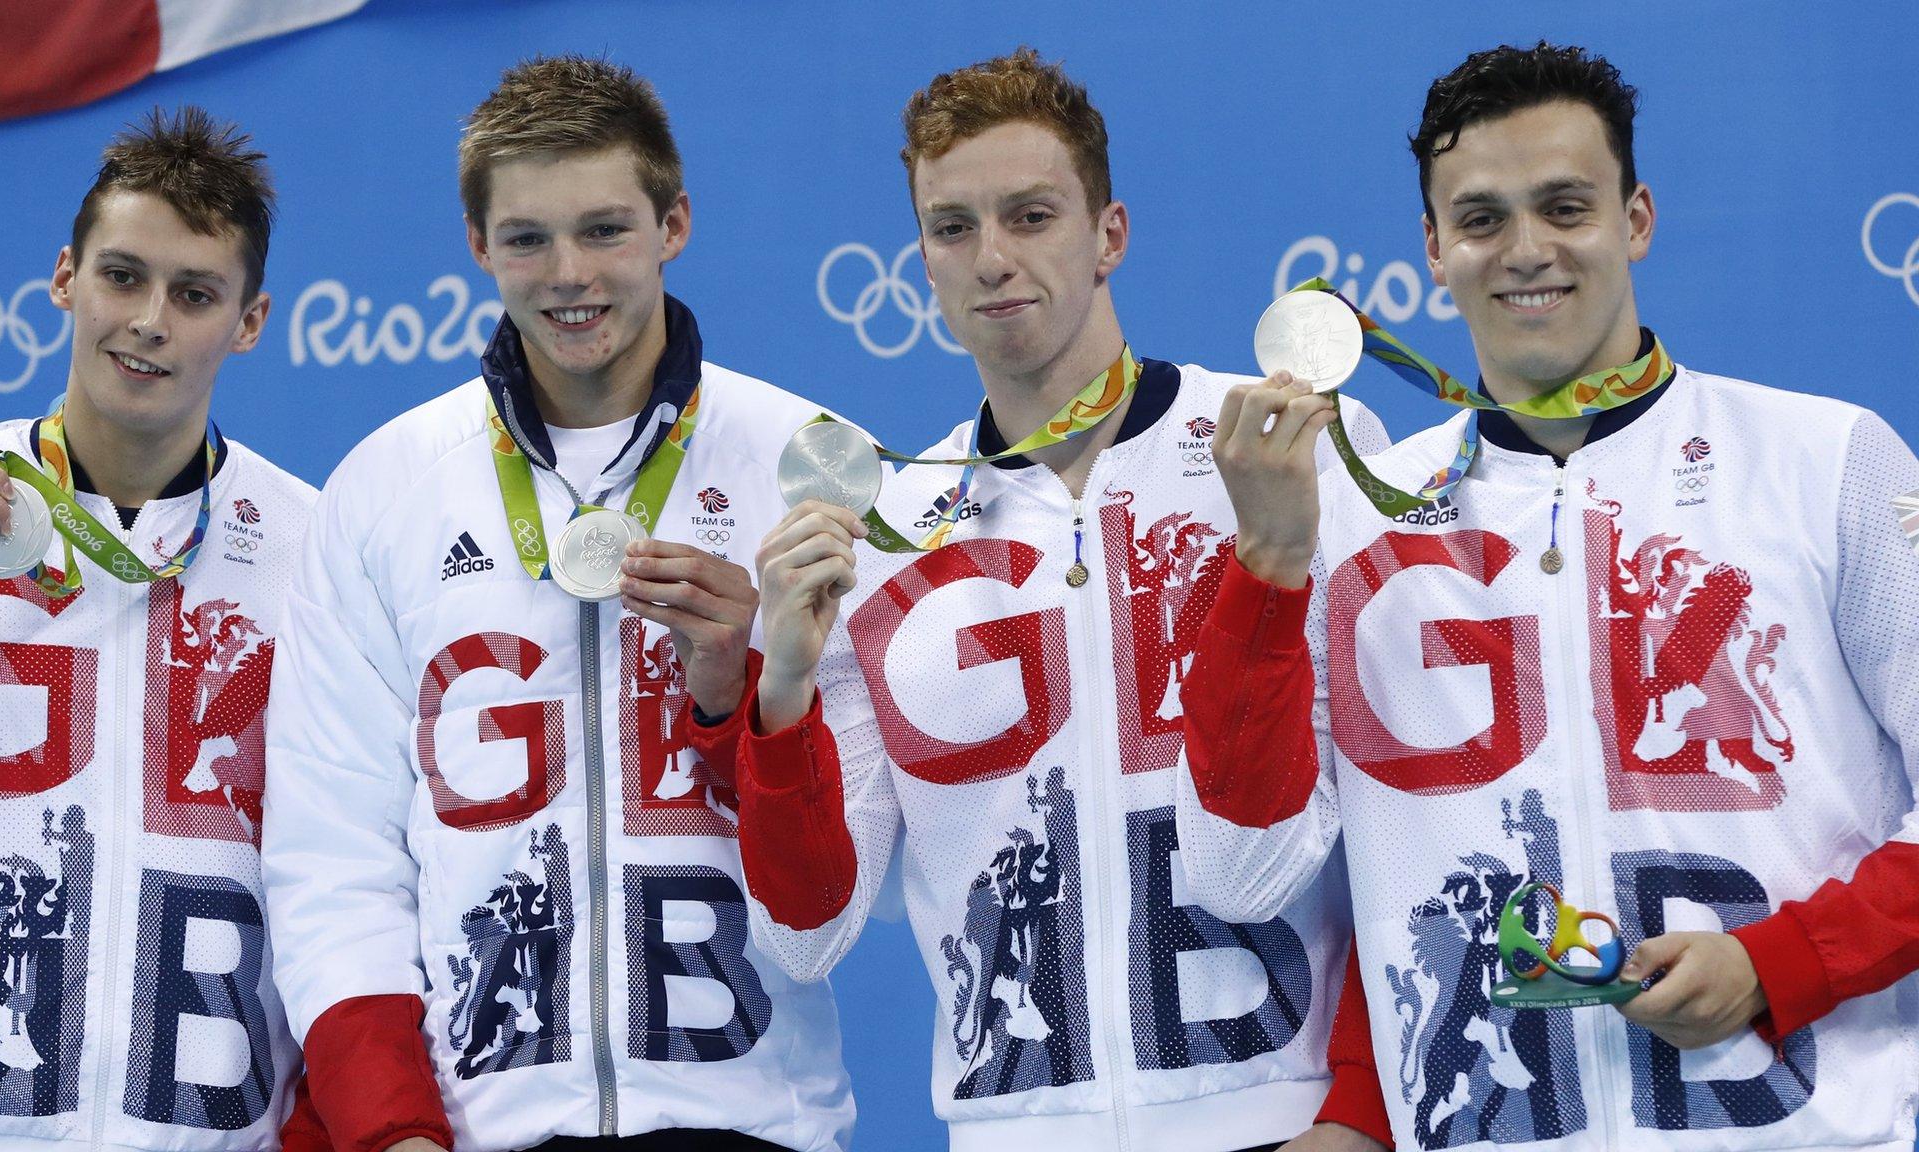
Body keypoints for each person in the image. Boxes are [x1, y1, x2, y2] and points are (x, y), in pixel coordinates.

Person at [1179, 41, 1919, 1152]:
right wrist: (1267, 568)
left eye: (1564, 207)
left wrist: (1777, 963)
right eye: (1480, 219)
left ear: (1635, 219)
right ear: (1431, 248)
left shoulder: (1825, 461)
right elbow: (1253, 873)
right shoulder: (1352, 516)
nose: (1525, 251)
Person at [730, 48, 1390, 1152]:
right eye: (952, 229)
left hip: (1280, 1117)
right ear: (922, 264)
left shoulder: (1292, 450)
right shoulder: (887, 534)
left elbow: (1399, 822)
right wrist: (783, 692)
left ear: (1108, 234)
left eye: (1030, 215)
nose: (992, 258)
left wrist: (1360, 1117)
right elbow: (805, 937)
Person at [262, 55, 855, 1152]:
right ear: (477, 246)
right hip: (479, 1128)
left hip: (752, 1122)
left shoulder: (804, 466)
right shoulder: (385, 486)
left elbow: (827, 900)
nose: (567, 273)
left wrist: (750, 692)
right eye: (527, 238)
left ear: (673, 223)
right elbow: (331, 859)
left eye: (605, 230)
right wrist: (392, 1127)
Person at [0, 107, 311, 1149]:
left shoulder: (320, 546)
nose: (150, 320)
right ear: (66, 276)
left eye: (195, 294)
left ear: (249, 321)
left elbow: (357, 880)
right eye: (123, 276)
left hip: (211, 1133)